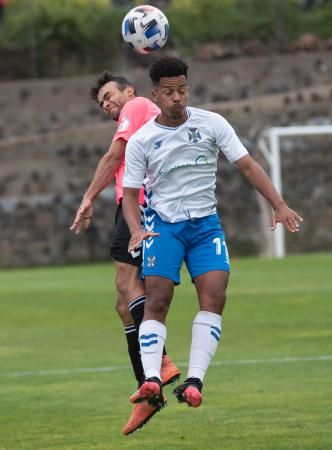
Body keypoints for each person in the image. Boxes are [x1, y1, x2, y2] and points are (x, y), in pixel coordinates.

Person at [122, 56, 303, 411]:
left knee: (215, 297)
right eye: (169, 92)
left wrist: (278, 204)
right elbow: (129, 195)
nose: (177, 97)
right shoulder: (142, 140)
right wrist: (135, 230)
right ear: (155, 95)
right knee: (157, 301)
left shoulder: (212, 123)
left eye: (183, 90)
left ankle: (194, 381)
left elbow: (248, 166)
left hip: (205, 227)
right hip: (163, 227)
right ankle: (151, 380)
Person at [70, 71, 180, 434]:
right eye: (101, 103)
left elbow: (114, 155)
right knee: (123, 301)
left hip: (141, 205)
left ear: (128, 90)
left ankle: (159, 363)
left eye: (108, 95)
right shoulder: (142, 115)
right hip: (139, 204)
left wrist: (87, 198)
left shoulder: (135, 105)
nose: (106, 104)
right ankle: (149, 389)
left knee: (128, 284)